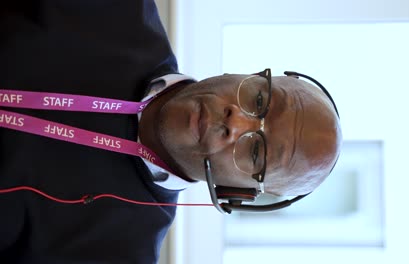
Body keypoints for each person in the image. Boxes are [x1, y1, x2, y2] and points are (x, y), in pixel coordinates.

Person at [0, 0, 341, 263]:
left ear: (240, 195)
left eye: (256, 152)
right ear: (247, 75)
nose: (235, 121)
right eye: (259, 98)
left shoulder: (117, 254)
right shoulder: (121, 9)